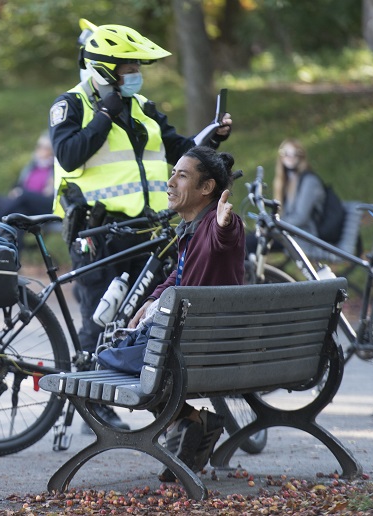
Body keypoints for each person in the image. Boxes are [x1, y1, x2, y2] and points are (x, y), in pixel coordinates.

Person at [48, 21, 232, 430]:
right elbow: (68, 155)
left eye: (136, 66)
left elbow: (180, 149)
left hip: (145, 230)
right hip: (96, 230)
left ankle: (154, 400)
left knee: (144, 316)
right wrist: (102, 118)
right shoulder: (72, 104)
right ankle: (92, 405)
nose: (135, 73)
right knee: (99, 314)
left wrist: (213, 140)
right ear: (104, 70)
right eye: (127, 67)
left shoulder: (143, 107)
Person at [98, 146, 245, 482]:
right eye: (173, 173)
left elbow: (225, 237)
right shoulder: (191, 229)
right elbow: (177, 277)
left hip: (196, 351)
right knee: (130, 355)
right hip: (198, 347)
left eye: (182, 175)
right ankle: (189, 426)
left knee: (111, 358)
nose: (170, 182)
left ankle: (189, 422)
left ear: (206, 188)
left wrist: (224, 225)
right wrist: (152, 299)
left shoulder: (217, 224)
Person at [245, 139, 327, 257]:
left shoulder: (309, 181)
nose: (290, 157)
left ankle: (250, 274)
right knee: (249, 239)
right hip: (288, 232)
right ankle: (251, 272)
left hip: (302, 236)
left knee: (249, 243)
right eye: (285, 153)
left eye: (295, 153)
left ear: (301, 156)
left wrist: (274, 224)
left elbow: (300, 217)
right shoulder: (286, 180)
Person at [0, 132, 54, 220]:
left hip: (41, 204)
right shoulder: (32, 166)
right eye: (39, 146)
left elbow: (50, 194)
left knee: (22, 196)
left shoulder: (54, 169)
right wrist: (15, 191)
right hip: (23, 203)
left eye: (45, 148)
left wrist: (21, 193)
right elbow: (17, 184)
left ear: (52, 150)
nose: (40, 150)